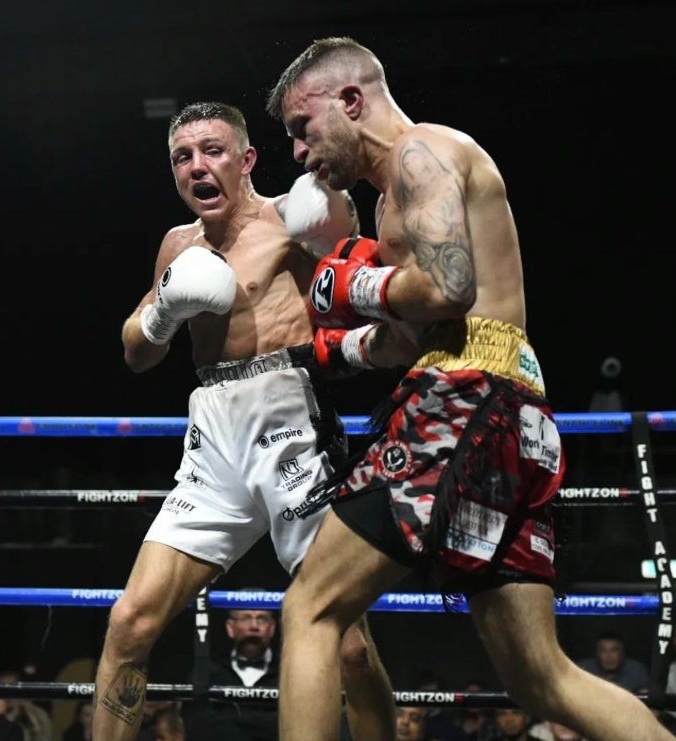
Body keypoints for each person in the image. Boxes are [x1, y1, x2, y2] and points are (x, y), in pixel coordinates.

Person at [264, 36, 676, 741]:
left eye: (304, 129)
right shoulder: (399, 191)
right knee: (541, 677)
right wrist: (342, 342)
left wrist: (354, 284)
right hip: (511, 409)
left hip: (464, 399)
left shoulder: (420, 153)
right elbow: (415, 329)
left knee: (310, 606)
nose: (300, 153)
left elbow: (449, 290)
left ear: (351, 100)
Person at [90, 100, 396, 741]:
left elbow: (364, 282)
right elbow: (135, 354)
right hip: (212, 436)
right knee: (130, 622)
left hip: (293, 421)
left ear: (247, 159)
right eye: (182, 157)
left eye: (213, 151)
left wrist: (336, 220)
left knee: (349, 649)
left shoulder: (293, 217)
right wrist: (161, 316)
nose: (197, 166)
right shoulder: (178, 244)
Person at [183, 604, 279, 740]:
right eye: (245, 619)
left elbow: (291, 723)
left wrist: (230, 716)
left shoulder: (289, 674)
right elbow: (198, 724)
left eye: (262, 619)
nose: (254, 626)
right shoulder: (207, 672)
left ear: (272, 627)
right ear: (230, 628)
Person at [574, 632, 650, 692]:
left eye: (614, 650)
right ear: (597, 654)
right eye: (603, 651)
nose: (609, 656)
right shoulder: (582, 670)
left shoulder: (637, 671)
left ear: (622, 653)